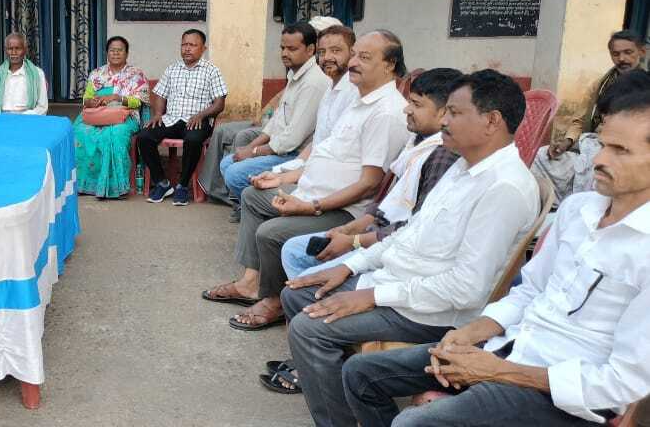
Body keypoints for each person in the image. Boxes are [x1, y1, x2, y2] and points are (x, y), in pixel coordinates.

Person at [342, 76, 650, 427]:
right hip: (510, 346)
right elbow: (530, 291)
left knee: (412, 424)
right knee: (361, 374)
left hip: (558, 391)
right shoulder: (578, 209)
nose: (600, 159)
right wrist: (474, 331)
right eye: (603, 145)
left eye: (621, 151)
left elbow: (620, 384)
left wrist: (499, 372)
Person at [283, 69, 539, 427]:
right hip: (398, 284)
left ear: (491, 121)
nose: (444, 121)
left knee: (310, 330)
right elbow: (407, 235)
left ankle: (338, 419)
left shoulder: (504, 188)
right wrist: (350, 266)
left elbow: (466, 289)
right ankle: (340, 400)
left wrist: (372, 296)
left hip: (432, 312)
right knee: (297, 294)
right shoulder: (462, 167)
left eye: (455, 112)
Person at [201, 30, 409, 330]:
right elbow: (324, 152)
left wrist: (310, 206)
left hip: (343, 210)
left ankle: (275, 300)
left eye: (363, 57)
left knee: (271, 233)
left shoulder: (385, 113)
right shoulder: (357, 101)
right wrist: (284, 177)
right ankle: (251, 283)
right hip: (311, 191)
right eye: (354, 55)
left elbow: (369, 184)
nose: (352, 63)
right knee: (253, 195)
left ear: (389, 65)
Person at [279, 68, 463, 282]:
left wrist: (355, 241)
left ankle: (308, 297)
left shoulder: (441, 155)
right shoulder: (416, 143)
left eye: (416, 104)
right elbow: (385, 206)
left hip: (391, 245)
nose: (406, 109)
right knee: (294, 250)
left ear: (444, 113)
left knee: (304, 274)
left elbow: (412, 227)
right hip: (372, 230)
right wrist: (347, 230)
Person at [221, 22, 330, 221]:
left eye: (292, 49)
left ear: (310, 50)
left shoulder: (313, 83)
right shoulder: (295, 74)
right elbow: (276, 121)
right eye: (282, 48)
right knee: (227, 162)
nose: (285, 53)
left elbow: (291, 139)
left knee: (234, 174)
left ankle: (262, 210)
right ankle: (248, 207)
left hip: (295, 155)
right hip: (281, 149)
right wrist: (250, 149)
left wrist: (253, 152)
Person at [532, 30, 647, 202]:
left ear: (642, 52)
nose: (622, 59)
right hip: (592, 144)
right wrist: (567, 142)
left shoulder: (645, 85)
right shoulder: (601, 85)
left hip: (626, 149)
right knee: (542, 157)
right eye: (616, 54)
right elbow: (580, 120)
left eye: (628, 52)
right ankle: (554, 205)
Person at [138, 29, 228, 206]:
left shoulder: (212, 71)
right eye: (184, 44)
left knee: (193, 140)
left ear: (203, 48)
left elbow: (219, 104)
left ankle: (182, 186)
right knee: (144, 136)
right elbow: (160, 95)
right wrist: (158, 114)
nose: (187, 49)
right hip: (171, 119)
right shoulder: (172, 69)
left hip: (198, 120)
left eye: (192, 45)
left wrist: (201, 115)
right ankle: (162, 183)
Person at [73, 36, 150, 198]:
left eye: (120, 50)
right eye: (112, 50)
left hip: (125, 116)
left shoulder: (136, 74)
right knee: (79, 131)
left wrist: (117, 98)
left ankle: (116, 187)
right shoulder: (97, 74)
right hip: (98, 115)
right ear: (107, 53)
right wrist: (91, 102)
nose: (115, 53)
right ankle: (84, 184)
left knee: (115, 133)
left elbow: (139, 102)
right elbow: (86, 99)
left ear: (126, 53)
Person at [0, 32, 49, 115]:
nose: (14, 52)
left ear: (25, 50)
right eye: (10, 49)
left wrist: (22, 117)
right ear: (6, 50)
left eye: (18, 48)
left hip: (27, 118)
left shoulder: (37, 74)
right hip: (1, 118)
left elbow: (42, 108)